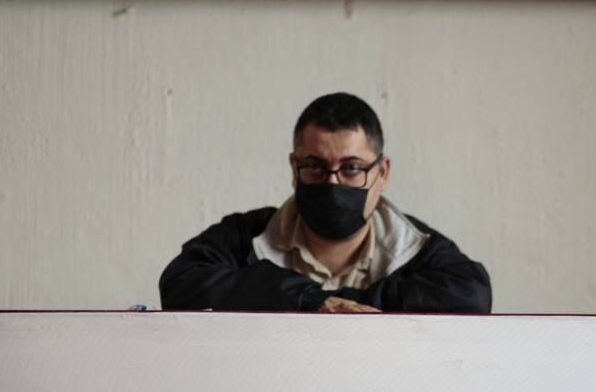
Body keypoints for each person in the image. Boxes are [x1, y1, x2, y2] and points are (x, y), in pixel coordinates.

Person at [159, 92, 491, 313]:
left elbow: (473, 294)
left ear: (382, 172)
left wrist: (338, 305)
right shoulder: (245, 236)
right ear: (294, 168)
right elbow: (180, 282)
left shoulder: (417, 247)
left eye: (351, 168)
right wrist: (308, 300)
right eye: (315, 167)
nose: (332, 183)